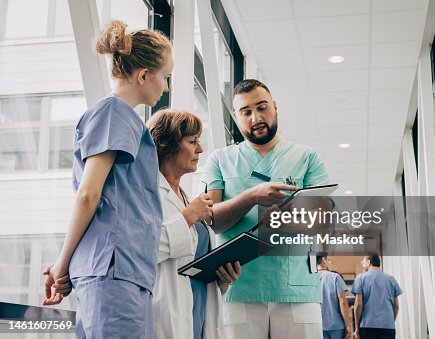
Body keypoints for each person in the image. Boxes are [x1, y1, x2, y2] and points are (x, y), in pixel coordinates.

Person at [41, 20, 173, 338]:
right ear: (143, 75)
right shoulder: (113, 113)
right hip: (113, 271)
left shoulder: (123, 119)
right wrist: (61, 264)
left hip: (124, 272)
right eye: (166, 77)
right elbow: (89, 194)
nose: (167, 87)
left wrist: (67, 265)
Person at [202, 79, 329, 339]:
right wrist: (250, 197)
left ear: (275, 107)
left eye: (262, 107)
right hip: (237, 288)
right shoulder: (220, 160)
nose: (256, 117)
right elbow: (212, 220)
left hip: (296, 289)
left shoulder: (307, 157)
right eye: (246, 112)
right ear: (237, 118)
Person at [147, 109, 241, 339]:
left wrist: (221, 278)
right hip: (166, 315)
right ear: (165, 145)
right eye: (192, 142)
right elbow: (140, 250)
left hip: (198, 314)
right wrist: (188, 216)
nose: (200, 149)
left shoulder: (187, 197)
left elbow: (192, 267)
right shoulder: (147, 194)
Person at [352, 253, 402, 339]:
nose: (361, 262)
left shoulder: (361, 278)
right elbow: (396, 306)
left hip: (367, 326)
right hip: (388, 326)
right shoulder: (391, 279)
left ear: (369, 262)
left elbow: (358, 304)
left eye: (363, 260)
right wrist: (389, 322)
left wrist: (357, 327)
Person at [316, 253, 351, 339]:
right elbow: (343, 302)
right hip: (336, 326)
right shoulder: (335, 277)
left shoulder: (310, 278)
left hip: (318, 325)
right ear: (324, 259)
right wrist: (348, 324)